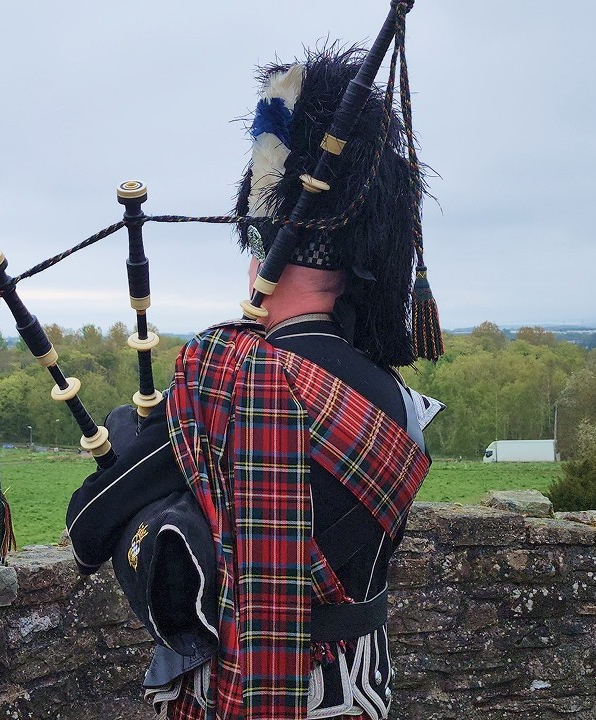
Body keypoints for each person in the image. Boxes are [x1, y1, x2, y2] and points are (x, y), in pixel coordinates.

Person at [66, 46, 444, 720]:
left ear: (265, 246)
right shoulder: (389, 390)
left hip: (263, 693)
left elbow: (107, 530)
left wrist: (132, 461)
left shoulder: (230, 367)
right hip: (363, 688)